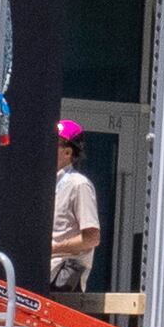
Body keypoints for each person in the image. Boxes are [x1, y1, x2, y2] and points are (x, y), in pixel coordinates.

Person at [49, 123, 102, 299]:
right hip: (39, 272)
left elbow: (92, 238)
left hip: (61, 278)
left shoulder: (79, 185)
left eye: (54, 142)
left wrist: (53, 248)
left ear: (68, 152)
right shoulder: (45, 183)